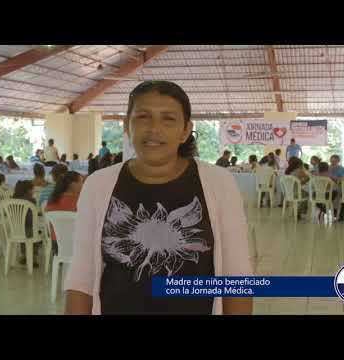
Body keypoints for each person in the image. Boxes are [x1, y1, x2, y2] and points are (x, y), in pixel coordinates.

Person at [64, 80, 252, 315]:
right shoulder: (98, 184)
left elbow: (237, 275)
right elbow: (81, 276)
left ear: (185, 130)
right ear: (127, 125)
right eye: (143, 117)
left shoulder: (219, 183)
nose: (154, 128)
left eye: (168, 118)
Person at [45, 171, 84, 255]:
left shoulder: (52, 200)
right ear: (72, 184)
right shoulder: (81, 200)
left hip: (56, 244)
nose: (83, 185)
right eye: (81, 182)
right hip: (77, 246)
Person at [12, 180, 39, 267]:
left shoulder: (14, 199)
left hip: (15, 230)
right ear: (28, 190)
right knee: (34, 231)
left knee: (24, 232)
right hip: (29, 230)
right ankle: (33, 257)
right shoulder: (31, 201)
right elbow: (31, 219)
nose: (33, 191)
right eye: (32, 189)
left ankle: (24, 255)